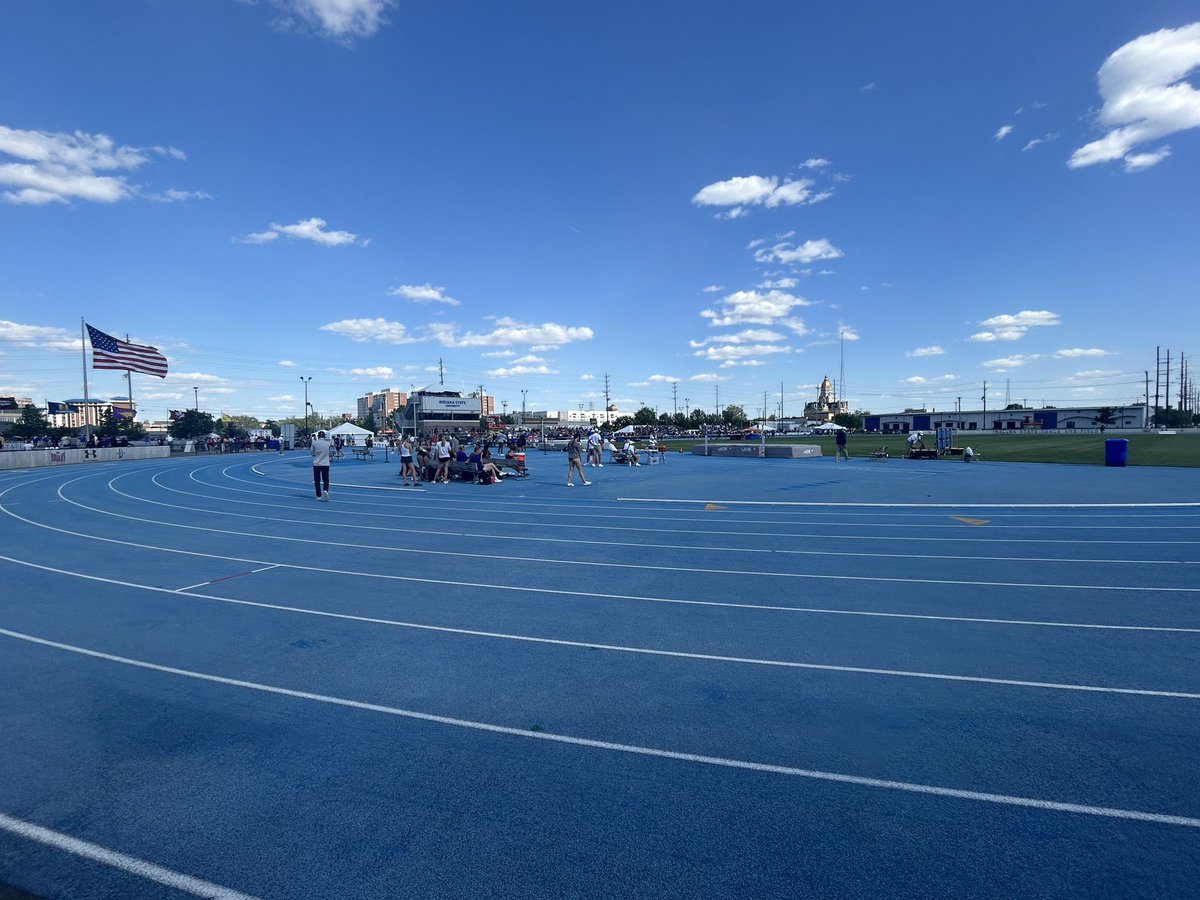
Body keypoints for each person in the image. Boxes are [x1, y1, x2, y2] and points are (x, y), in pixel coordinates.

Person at [311, 430, 333, 501]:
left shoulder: (314, 443)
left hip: (317, 463)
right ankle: (325, 490)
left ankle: (318, 495)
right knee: (326, 479)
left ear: (318, 436)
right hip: (326, 463)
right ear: (324, 436)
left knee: (317, 480)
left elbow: (312, 452)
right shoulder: (328, 443)